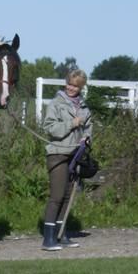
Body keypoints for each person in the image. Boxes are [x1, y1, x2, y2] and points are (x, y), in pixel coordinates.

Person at [41, 69, 93, 251]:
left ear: (81, 87)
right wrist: (72, 123)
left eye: (75, 86)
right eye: (69, 84)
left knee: (67, 196)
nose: (71, 88)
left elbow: (88, 129)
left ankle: (61, 234)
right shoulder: (56, 103)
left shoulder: (84, 108)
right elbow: (50, 128)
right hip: (57, 154)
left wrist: (86, 139)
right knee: (56, 196)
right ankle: (48, 239)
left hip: (75, 155)